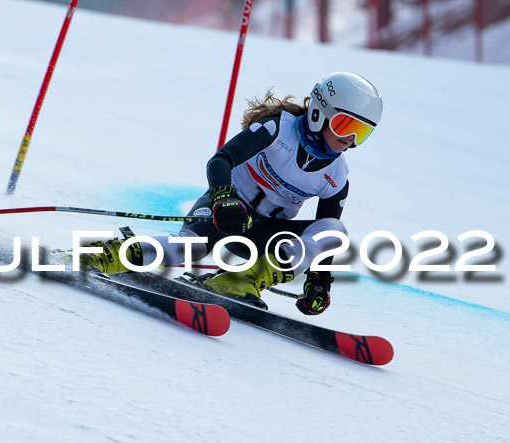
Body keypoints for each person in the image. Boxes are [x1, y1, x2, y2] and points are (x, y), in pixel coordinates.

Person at [79, 71, 383, 314]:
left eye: (363, 133)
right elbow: (221, 160)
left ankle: (240, 280)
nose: (351, 139)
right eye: (345, 126)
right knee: (187, 249)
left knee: (335, 230)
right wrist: (224, 197)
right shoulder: (278, 129)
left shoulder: (336, 175)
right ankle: (105, 256)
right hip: (224, 212)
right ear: (320, 112)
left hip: (263, 236)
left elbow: (324, 235)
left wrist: (319, 280)